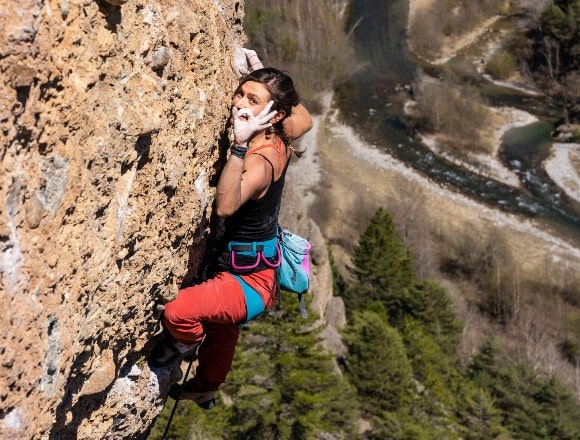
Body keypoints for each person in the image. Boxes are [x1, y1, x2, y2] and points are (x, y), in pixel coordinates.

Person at [148, 58, 313, 410]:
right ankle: (206, 386)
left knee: (180, 313)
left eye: (252, 100)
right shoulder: (284, 127)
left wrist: (238, 147)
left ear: (274, 113)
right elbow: (307, 117)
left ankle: (182, 346)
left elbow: (226, 206)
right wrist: (269, 81)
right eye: (240, 94)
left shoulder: (262, 159)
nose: (239, 103)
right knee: (224, 326)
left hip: (250, 282)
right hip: (250, 270)